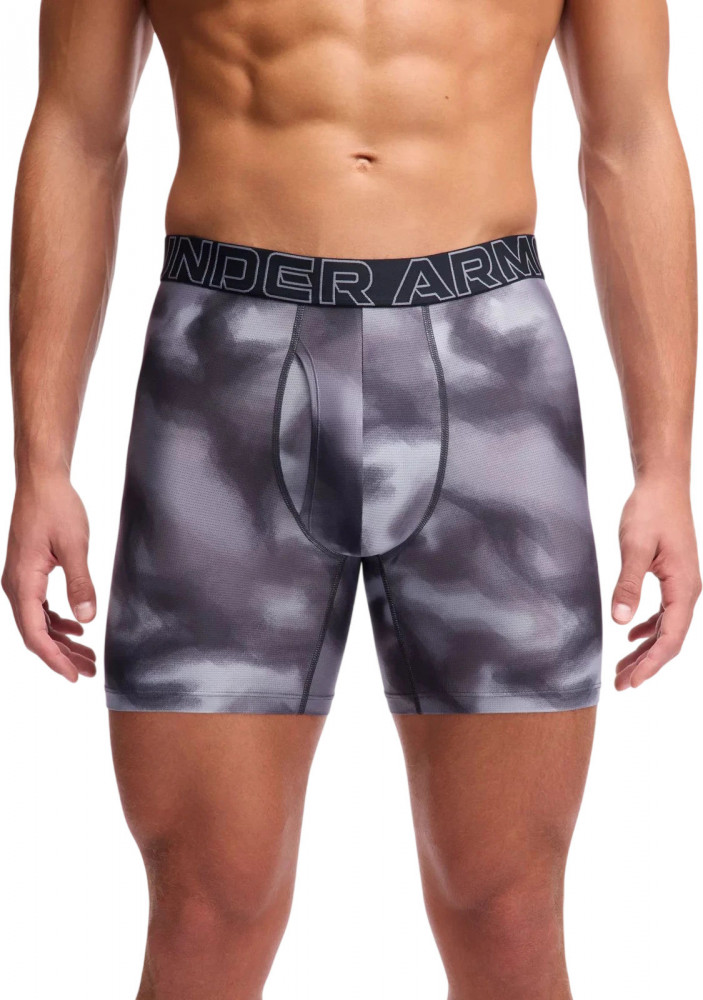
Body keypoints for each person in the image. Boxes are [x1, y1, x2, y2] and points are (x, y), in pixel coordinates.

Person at [3, 1, 699, 997]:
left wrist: (664, 466)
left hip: (490, 372)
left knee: (507, 909)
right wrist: (40, 464)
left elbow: (629, 136)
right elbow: (76, 132)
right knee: (205, 907)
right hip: (223, 376)